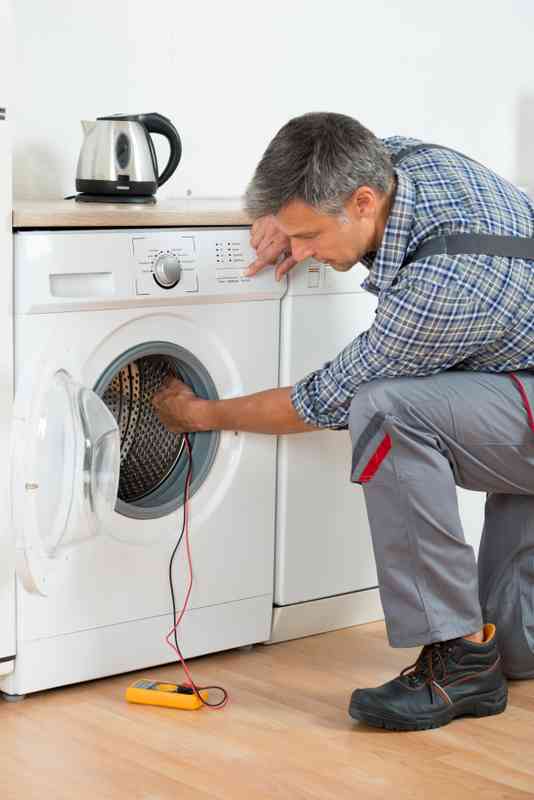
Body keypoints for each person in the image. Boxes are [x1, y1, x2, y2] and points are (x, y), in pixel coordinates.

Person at [152, 112, 534, 731]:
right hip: (523, 365)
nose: (300, 251)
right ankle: (502, 651)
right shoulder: (404, 162)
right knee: (517, 649)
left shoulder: (441, 289)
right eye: (292, 234)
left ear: (362, 202)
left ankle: (460, 660)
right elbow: (340, 153)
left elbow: (321, 400)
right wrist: (284, 218)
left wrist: (200, 413)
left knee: (386, 409)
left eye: (309, 236)